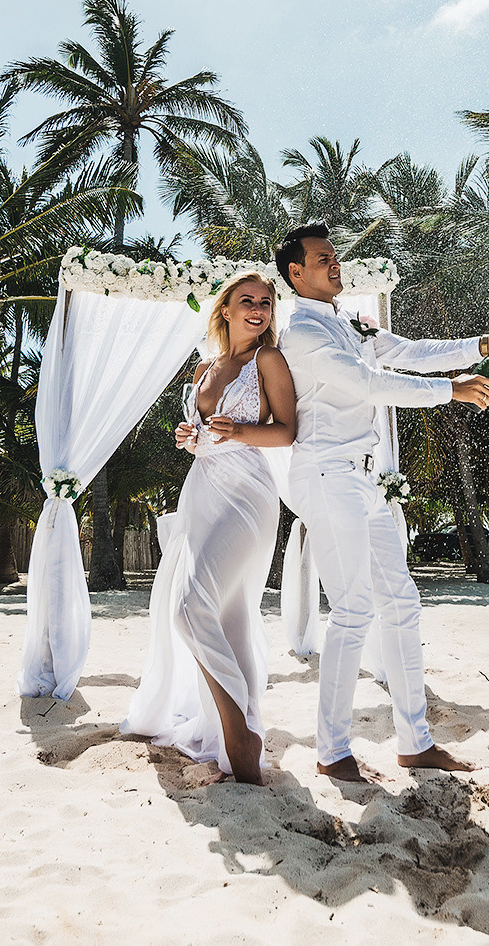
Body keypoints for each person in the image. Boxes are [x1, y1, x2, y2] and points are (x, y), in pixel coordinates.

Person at [275, 223, 489, 783]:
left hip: (363, 479)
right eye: (322, 259)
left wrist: (480, 346)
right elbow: (367, 383)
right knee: (354, 611)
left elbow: (406, 351)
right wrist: (449, 390)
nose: (335, 265)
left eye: (335, 257)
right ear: (296, 273)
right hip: (326, 474)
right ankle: (332, 750)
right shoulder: (300, 334)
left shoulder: (346, 321)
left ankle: (415, 742)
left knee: (402, 604)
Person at [121, 271, 298, 784]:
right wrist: (190, 436)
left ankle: (239, 731)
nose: (258, 310)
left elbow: (287, 431)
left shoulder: (267, 360)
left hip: (249, 494)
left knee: (189, 606)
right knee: (228, 615)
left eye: (266, 302)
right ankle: (233, 736)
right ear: (225, 309)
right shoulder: (205, 367)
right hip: (202, 489)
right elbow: (204, 434)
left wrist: (239, 430)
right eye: (247, 301)